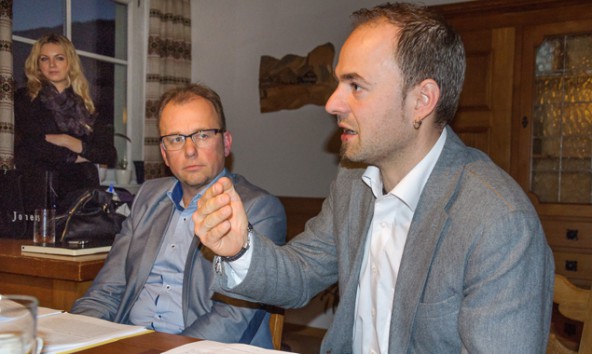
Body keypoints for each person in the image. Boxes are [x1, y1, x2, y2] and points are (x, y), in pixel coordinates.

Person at [193, 3, 555, 353]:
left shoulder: (498, 222)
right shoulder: (353, 182)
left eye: (356, 86)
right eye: (339, 83)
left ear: (422, 100)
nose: (332, 103)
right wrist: (238, 248)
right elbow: (302, 273)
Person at [70, 83, 286, 348]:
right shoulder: (148, 197)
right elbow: (107, 291)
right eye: (176, 139)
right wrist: (75, 339)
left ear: (226, 143)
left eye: (202, 135)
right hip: (132, 343)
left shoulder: (258, 209)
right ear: (164, 154)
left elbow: (234, 318)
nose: (190, 150)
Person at [14, 33, 116, 211]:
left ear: (70, 62)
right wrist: (82, 156)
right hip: (42, 192)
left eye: (59, 58)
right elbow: (32, 147)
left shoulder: (88, 105)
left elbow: (109, 154)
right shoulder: (25, 99)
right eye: (44, 59)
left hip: (84, 194)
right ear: (38, 65)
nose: (52, 65)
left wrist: (68, 141)